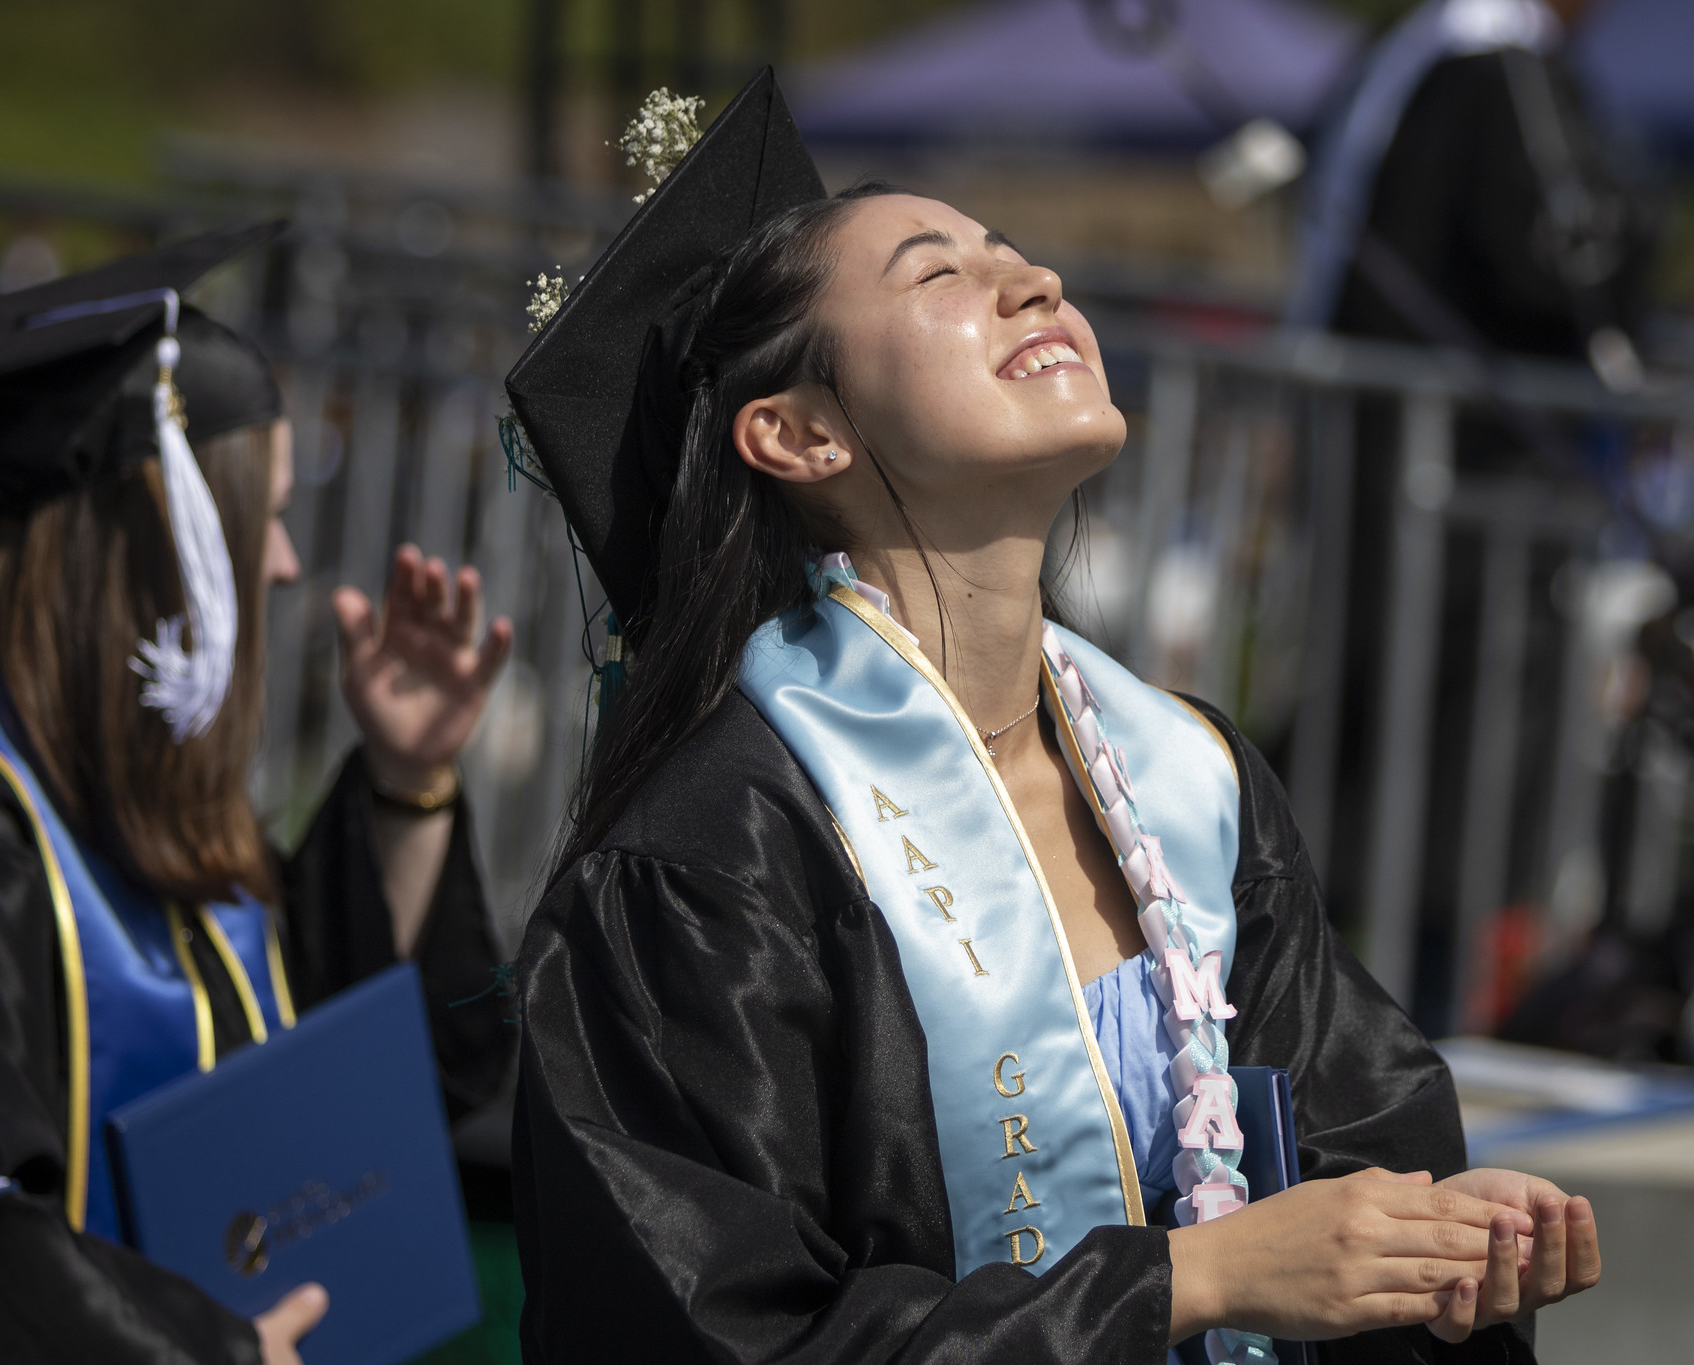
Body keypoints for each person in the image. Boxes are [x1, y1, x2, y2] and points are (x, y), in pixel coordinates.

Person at [506, 71, 1599, 1365]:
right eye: (937, 277)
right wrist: (1185, 1282)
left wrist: (1430, 1259)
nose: (1032, 285)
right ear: (798, 434)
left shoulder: (1186, 782)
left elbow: (1352, 1138)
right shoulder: (710, 865)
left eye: (1013, 255)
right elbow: (704, 1338)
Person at [0, 225, 516, 1365]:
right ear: (160, 533)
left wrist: (407, 784)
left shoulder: (116, 797)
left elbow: (329, 1086)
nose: (288, 564)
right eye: (258, 516)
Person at [1288, 0, 1655, 379]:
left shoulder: (1416, 45)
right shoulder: (1500, 64)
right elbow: (1552, 258)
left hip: (1380, 368)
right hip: (1455, 396)